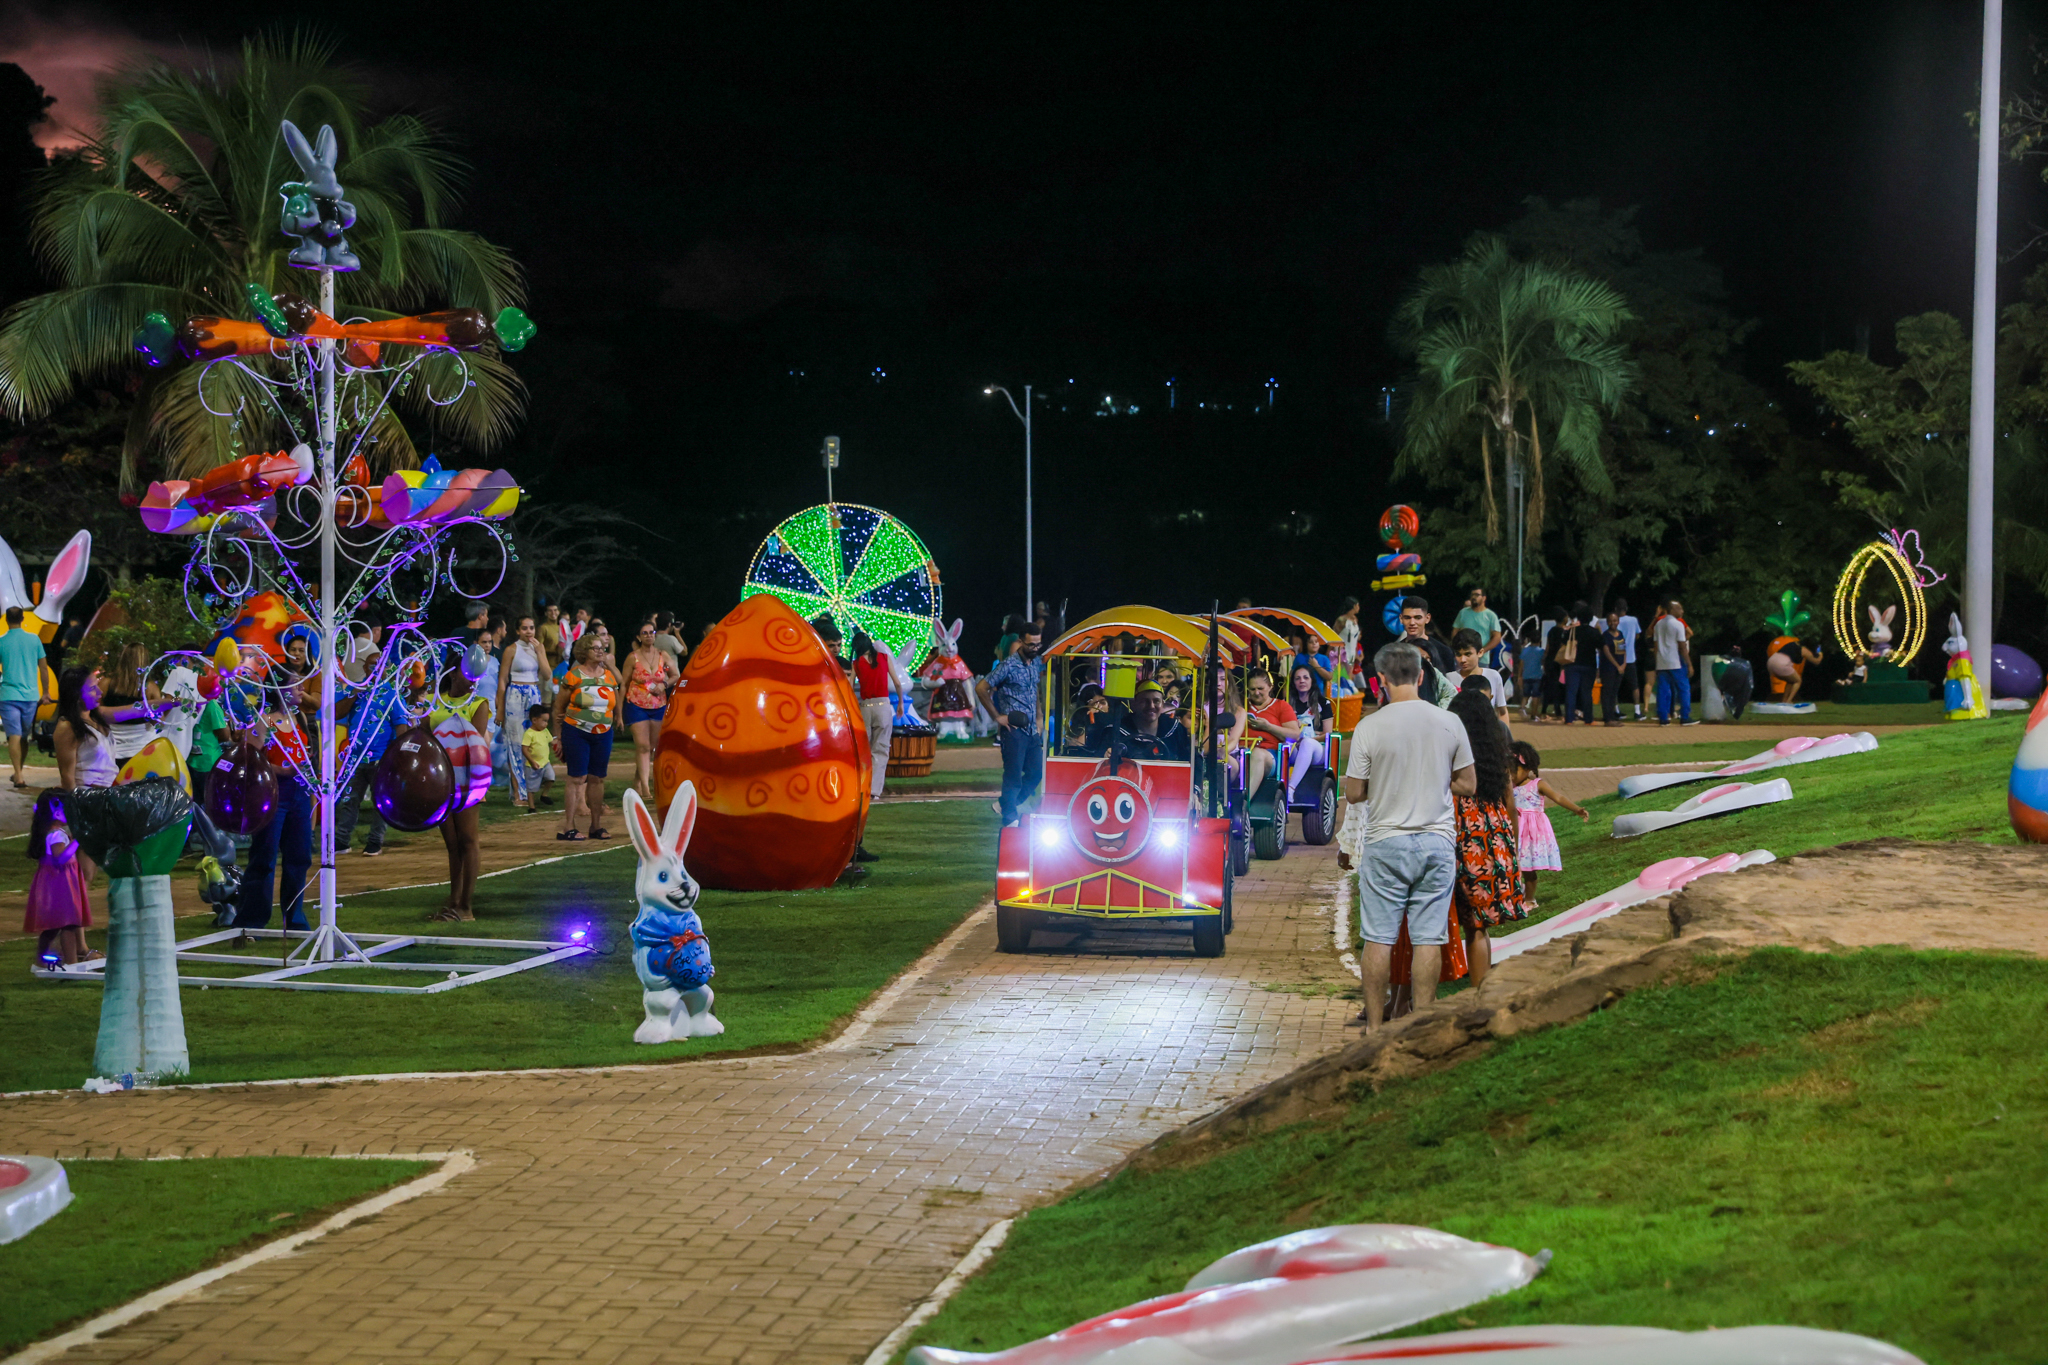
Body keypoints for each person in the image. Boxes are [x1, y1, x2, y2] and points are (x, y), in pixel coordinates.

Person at [1340, 641, 1477, 1032]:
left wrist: (1385, 783)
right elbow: (1467, 784)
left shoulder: (1370, 726)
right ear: (1421, 675)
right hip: (1436, 841)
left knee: (1379, 937)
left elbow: (1353, 792)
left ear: (1381, 679)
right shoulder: (1449, 721)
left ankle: (1375, 1028)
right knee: (1427, 937)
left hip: (1386, 842)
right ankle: (1421, 1024)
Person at [1445, 689, 1527, 990]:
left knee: (1474, 927)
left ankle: (1479, 995)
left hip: (1470, 840)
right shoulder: (1499, 756)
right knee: (1482, 926)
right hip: (1498, 839)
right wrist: (1513, 850)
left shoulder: (1455, 757)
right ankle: (1486, 988)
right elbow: (1512, 806)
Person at [236, 700, 314, 933]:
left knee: (300, 857)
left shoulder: (298, 718)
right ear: (280, 687)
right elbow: (250, 760)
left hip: (299, 792)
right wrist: (283, 771)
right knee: (264, 856)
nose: (301, 689)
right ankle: (251, 921)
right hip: (273, 791)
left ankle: (295, 920)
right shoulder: (266, 720)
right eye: (295, 684)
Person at [429, 663, 492, 920]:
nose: (472, 680)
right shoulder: (436, 702)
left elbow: (474, 742)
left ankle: (466, 906)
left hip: (467, 782)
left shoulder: (479, 703)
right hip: (442, 782)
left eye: (475, 676)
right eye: (467, 675)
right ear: (452, 673)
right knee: (452, 844)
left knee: (468, 840)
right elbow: (425, 736)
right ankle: (453, 901)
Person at [552, 632, 621, 842]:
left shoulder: (608, 676)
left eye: (603, 648)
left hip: (603, 733)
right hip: (577, 732)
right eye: (596, 648)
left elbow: (615, 700)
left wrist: (617, 718)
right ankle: (568, 827)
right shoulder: (573, 676)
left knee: (597, 778)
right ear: (584, 652)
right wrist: (558, 737)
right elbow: (558, 710)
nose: (601, 651)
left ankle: (596, 826)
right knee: (576, 778)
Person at [978, 622, 1042, 828]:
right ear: (1021, 641)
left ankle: (1006, 805)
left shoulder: (1036, 663)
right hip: (1013, 730)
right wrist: (997, 716)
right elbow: (981, 688)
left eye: (1038, 644)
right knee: (1013, 776)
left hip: (1032, 730)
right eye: (1031, 644)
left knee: (1036, 773)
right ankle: (1010, 819)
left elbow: (1035, 692)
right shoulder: (1008, 665)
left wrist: (1039, 717)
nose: (1035, 648)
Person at [23, 790, 96, 967]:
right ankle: (71, 964)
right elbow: (61, 858)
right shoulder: (56, 834)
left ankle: (41, 959)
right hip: (60, 883)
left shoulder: (54, 832)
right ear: (55, 811)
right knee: (68, 924)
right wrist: (78, 840)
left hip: (56, 881)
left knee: (54, 926)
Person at [1509, 740, 1587, 905]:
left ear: (1527, 767)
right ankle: (1514, 895)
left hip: (1531, 832)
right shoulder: (1509, 787)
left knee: (1528, 867)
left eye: (1513, 770)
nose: (1510, 775)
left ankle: (1530, 899)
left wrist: (1576, 809)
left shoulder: (1538, 784)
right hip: (1513, 830)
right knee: (1512, 864)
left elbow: (1558, 797)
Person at [849, 629, 894, 860]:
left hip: (866, 708)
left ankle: (863, 786)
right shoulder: (884, 658)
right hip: (884, 705)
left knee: (864, 751)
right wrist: (903, 707)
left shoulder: (856, 664)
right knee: (881, 751)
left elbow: (850, 685)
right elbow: (895, 680)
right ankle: (875, 789)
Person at [498, 615, 552, 806]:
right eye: (524, 628)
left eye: (531, 627)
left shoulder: (538, 648)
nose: (529, 631)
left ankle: (530, 788)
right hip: (515, 695)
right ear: (518, 630)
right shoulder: (511, 649)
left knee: (533, 742)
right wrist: (499, 708)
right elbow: (503, 680)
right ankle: (518, 794)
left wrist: (540, 652)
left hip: (533, 693)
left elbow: (547, 675)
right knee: (515, 743)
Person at [622, 619, 678, 800]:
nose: (648, 636)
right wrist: (619, 711)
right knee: (643, 746)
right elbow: (623, 683)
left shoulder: (663, 655)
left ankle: (638, 781)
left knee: (651, 747)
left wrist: (665, 685)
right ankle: (646, 787)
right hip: (636, 704)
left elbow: (675, 675)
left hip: (658, 705)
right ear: (639, 637)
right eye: (644, 633)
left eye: (651, 632)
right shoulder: (633, 657)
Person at [0, 606, 44, 789]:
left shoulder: (1, 641)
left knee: (17, 736)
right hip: (30, 695)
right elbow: (43, 666)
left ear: (6, 620)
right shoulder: (34, 639)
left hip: (8, 694)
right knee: (20, 736)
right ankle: (19, 775)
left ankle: (18, 773)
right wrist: (47, 692)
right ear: (23, 618)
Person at [1240, 670, 1301, 799]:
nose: (1256, 693)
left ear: (1270, 687)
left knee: (1257, 754)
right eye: (1252, 689)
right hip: (1241, 751)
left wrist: (1268, 727)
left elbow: (1294, 735)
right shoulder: (1241, 705)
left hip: (1269, 755)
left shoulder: (1281, 706)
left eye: (1260, 688)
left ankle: (1244, 802)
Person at [1396, 596, 1458, 705]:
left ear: (1427, 618)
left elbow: (1451, 688)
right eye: (1407, 617)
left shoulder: (1444, 652)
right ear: (1401, 618)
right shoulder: (1395, 652)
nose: (1412, 622)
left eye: (1417, 617)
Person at [1286, 664, 1332, 785]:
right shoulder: (1286, 704)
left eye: (1306, 677)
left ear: (1312, 681)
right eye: (1298, 678)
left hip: (1317, 749)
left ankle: (1291, 788)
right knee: (1285, 745)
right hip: (1294, 747)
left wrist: (1310, 739)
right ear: (1293, 683)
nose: (1302, 681)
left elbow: (1328, 734)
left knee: (1307, 743)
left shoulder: (1323, 702)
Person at [1654, 598, 1698, 725]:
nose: (1682, 610)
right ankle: (1685, 716)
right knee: (1684, 688)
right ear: (1671, 610)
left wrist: (1657, 662)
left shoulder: (1658, 624)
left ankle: (1663, 718)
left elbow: (1656, 646)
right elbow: (1682, 647)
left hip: (1662, 661)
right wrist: (1689, 664)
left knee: (1663, 690)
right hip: (1675, 661)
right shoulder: (1677, 624)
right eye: (1679, 608)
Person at [1559, 601, 1599, 725]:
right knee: (1587, 693)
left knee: (1571, 692)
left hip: (1572, 664)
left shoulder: (1573, 631)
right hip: (1589, 664)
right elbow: (1601, 646)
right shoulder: (1593, 632)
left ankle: (1569, 718)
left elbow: (1563, 643)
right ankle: (1588, 719)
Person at [1450, 628, 1506, 714]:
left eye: (1468, 654)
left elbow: (1502, 712)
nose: (1462, 659)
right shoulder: (1448, 678)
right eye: (1458, 654)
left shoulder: (1493, 676)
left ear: (1480, 652)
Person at [1613, 598, 1646, 721]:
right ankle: (1637, 711)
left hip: (1618, 658)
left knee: (1615, 686)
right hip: (1631, 657)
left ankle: (1616, 710)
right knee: (1634, 686)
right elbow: (1638, 635)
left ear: (1616, 610)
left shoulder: (1615, 621)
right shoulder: (1633, 620)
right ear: (1626, 609)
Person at [520, 705, 557, 813]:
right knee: (531, 787)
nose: (546, 724)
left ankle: (544, 795)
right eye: (544, 721)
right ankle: (532, 807)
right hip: (533, 765)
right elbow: (524, 749)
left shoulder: (545, 731)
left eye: (547, 721)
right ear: (534, 720)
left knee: (551, 778)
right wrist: (532, 761)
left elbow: (552, 741)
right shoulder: (529, 734)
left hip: (545, 763)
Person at [1453, 588, 1504, 665]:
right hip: (1462, 657)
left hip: (1482, 660)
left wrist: (1483, 650)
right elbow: (1455, 631)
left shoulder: (1490, 615)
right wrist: (1457, 647)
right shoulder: (1463, 613)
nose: (1473, 597)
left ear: (1484, 598)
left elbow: (1497, 637)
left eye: (1477, 595)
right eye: (1472, 595)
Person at [1769, 637, 1823, 706]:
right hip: (1781, 664)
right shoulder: (1804, 649)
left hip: (1771, 662)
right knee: (1798, 681)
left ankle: (1784, 701)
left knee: (1791, 680)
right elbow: (1817, 661)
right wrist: (1820, 653)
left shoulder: (1793, 643)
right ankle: (1789, 701)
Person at [1333, 596, 1363, 695]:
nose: (1359, 607)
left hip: (1351, 654)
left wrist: (1357, 654)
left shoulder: (1355, 620)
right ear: (1354, 606)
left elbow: (1355, 640)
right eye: (1358, 605)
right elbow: (1333, 637)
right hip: (1340, 653)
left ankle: (1350, 702)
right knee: (1340, 679)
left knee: (1350, 680)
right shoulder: (1341, 620)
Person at [539, 602, 566, 673]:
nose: (553, 612)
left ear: (558, 612)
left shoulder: (562, 628)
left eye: (555, 610)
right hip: (549, 666)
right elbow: (538, 649)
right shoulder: (543, 628)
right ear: (546, 613)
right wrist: (556, 651)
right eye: (550, 611)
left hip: (562, 666)